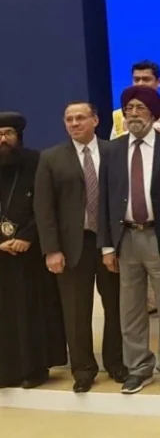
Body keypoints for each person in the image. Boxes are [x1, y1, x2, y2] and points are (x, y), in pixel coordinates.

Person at [97, 86, 160, 394]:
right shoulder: (111, 150)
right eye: (129, 109)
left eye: (140, 108)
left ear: (154, 113)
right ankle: (138, 366)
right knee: (131, 309)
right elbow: (105, 201)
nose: (133, 113)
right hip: (126, 239)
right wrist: (108, 245)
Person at [35, 102, 127, 393]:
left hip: (110, 242)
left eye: (80, 118)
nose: (74, 123)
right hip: (73, 245)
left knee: (116, 306)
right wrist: (51, 249)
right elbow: (44, 207)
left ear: (95, 120)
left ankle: (115, 362)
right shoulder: (51, 158)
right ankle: (83, 369)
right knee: (76, 310)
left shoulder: (115, 152)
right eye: (69, 119)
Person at [0, 112, 66, 389]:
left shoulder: (36, 162)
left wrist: (27, 236)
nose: (3, 139)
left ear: (19, 136)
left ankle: (35, 369)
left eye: (8, 134)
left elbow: (48, 205)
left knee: (32, 311)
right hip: (1, 253)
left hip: (31, 252)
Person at [110, 60, 160, 139]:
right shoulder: (120, 114)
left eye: (146, 79)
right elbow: (113, 148)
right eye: (136, 79)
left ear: (159, 82)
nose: (140, 84)